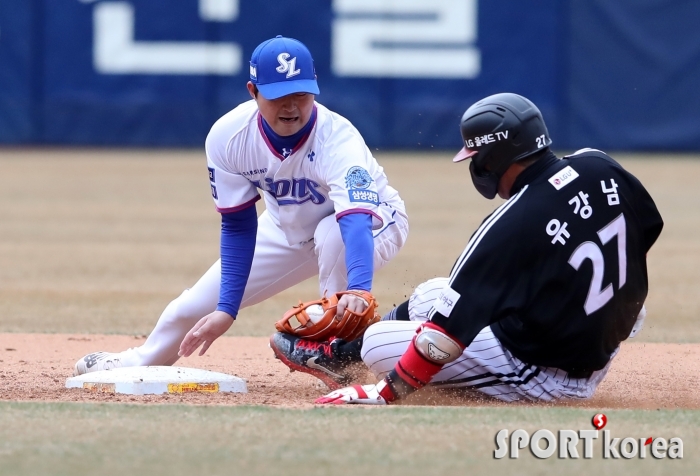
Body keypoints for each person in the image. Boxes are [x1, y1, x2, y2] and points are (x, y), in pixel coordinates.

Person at [269, 92, 663, 404]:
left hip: (545, 373)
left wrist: (384, 393)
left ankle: (355, 352)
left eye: (476, 157)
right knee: (433, 294)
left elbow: (441, 340)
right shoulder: (599, 164)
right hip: (595, 339)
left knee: (380, 343)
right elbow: (648, 226)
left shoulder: (512, 223)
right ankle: (340, 354)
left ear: (494, 158)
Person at [73, 36, 409, 375]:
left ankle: (339, 357)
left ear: (315, 89)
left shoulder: (338, 140)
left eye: (301, 95)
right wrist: (226, 309)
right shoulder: (230, 136)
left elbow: (354, 219)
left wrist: (360, 289)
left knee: (332, 232)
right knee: (192, 308)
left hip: (376, 222)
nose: (292, 106)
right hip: (285, 226)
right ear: (253, 91)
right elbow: (238, 224)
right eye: (279, 96)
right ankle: (136, 362)